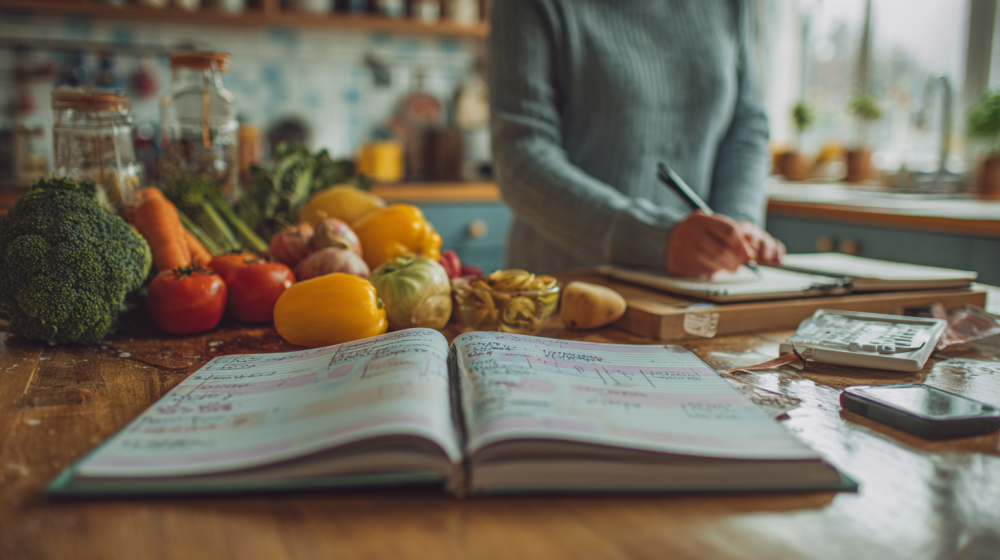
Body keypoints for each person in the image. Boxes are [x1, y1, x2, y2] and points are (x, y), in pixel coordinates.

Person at [488, 0, 785, 278]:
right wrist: (652, 239)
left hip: (699, 285)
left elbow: (746, 126)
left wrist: (737, 227)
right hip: (568, 286)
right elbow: (520, 154)